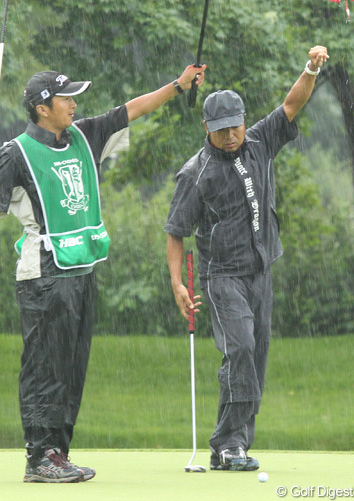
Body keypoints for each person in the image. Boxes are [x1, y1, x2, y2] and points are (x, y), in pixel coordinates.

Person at [0, 63, 206, 483]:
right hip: (44, 275)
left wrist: (177, 86)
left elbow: (128, 111)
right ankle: (40, 456)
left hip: (82, 271)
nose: (75, 104)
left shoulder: (84, 135)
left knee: (72, 368)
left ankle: (58, 453)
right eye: (66, 98)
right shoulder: (14, 153)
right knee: (45, 367)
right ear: (42, 108)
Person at [165, 46, 329, 471]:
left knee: (254, 356)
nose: (231, 136)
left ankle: (233, 444)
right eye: (221, 130)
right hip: (222, 277)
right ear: (207, 127)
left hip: (261, 271)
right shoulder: (195, 173)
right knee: (240, 348)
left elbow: (293, 103)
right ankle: (228, 442)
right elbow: (176, 232)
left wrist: (310, 68)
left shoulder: (259, 141)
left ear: (243, 120)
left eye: (235, 126)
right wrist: (177, 284)